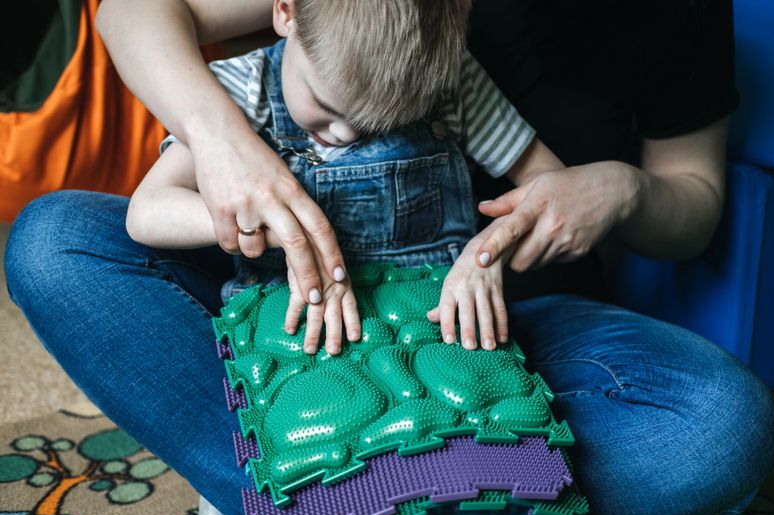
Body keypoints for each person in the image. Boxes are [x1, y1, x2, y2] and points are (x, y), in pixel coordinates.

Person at [3, 1, 774, 515]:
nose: (350, 135)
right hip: (287, 321)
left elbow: (680, 206)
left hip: (484, 333)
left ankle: (316, 492)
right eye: (328, 109)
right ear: (285, 11)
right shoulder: (283, 58)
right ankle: (410, 487)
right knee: (52, 242)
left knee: (725, 429)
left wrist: (619, 188)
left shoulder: (467, 86)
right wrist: (224, 149)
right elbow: (137, 14)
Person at [125, 0, 553, 356]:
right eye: (322, 102)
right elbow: (147, 211)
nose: (346, 134)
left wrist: (487, 254)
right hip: (291, 342)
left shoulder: (452, 82)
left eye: (382, 123)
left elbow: (548, 187)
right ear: (285, 13)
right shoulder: (245, 87)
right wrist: (275, 229)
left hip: (438, 340)